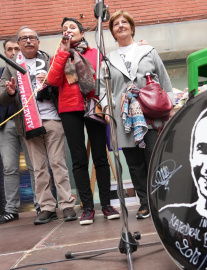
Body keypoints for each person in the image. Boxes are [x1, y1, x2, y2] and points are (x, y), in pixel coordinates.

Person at [99, 10, 175, 219]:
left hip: (151, 114)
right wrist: (106, 109)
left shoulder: (148, 51)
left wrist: (170, 105)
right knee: (134, 163)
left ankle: (161, 200)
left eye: (125, 22)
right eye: (116, 24)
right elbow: (103, 89)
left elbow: (164, 79)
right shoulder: (107, 59)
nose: (121, 25)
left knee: (155, 159)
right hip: (124, 119)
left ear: (132, 28)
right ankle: (145, 203)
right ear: (113, 32)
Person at [0, 26, 77, 225]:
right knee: (38, 168)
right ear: (18, 43)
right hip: (28, 122)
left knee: (58, 164)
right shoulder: (10, 66)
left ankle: (67, 204)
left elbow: (67, 84)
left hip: (52, 119)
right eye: (24, 38)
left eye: (32, 37)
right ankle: (47, 207)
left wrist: (51, 84)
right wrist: (9, 92)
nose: (28, 41)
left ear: (38, 41)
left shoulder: (50, 60)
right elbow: (2, 98)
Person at [47, 17, 120, 225]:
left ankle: (106, 204)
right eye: (64, 29)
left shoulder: (95, 54)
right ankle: (87, 207)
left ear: (82, 33)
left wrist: (106, 108)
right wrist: (63, 52)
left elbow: (105, 83)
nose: (68, 31)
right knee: (79, 160)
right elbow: (52, 80)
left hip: (93, 105)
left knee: (100, 157)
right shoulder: (59, 55)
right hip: (69, 110)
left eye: (72, 27)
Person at [0, 37, 40, 224]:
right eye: (10, 49)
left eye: (17, 48)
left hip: (28, 122)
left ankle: (41, 203)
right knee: (9, 168)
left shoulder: (30, 69)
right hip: (7, 125)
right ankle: (11, 209)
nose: (14, 52)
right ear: (5, 53)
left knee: (35, 165)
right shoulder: (2, 74)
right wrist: (8, 92)